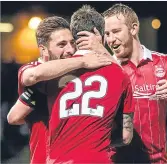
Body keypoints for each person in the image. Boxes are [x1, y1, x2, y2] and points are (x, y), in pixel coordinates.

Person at [77, 3, 167, 163]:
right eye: (106, 34)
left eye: (116, 31)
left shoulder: (165, 63)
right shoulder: (103, 69)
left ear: (134, 28)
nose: (110, 39)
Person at [7, 16, 112, 164]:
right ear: (44, 49)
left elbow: (14, 116)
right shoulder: (33, 69)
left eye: (72, 43)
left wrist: (101, 50)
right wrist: (82, 61)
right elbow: (31, 76)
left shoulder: (80, 71)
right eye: (62, 44)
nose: (70, 49)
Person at [47, 5, 134, 163]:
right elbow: (126, 137)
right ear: (100, 36)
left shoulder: (52, 71)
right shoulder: (120, 75)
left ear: (73, 37)